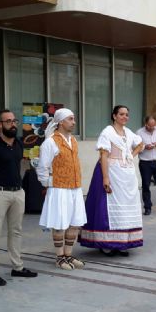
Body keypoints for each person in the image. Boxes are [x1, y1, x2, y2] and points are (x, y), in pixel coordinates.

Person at [0, 109, 37, 286]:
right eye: (8, 121)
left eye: (14, 121)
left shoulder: (19, 143)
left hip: (18, 192)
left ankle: (17, 267)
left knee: (16, 231)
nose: (13, 124)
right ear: (0, 125)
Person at [79, 105, 144, 257]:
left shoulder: (128, 133)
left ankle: (122, 242)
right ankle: (107, 243)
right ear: (114, 116)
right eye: (121, 114)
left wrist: (130, 155)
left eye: (127, 114)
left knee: (125, 207)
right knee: (109, 206)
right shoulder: (107, 132)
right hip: (111, 171)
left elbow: (141, 144)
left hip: (127, 175)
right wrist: (105, 177)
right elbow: (103, 155)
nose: (125, 117)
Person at [36, 108, 87, 270]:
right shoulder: (50, 142)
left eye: (73, 118)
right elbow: (42, 167)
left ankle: (69, 255)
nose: (74, 122)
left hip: (75, 187)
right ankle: (59, 257)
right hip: (59, 188)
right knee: (59, 223)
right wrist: (49, 183)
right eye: (71, 119)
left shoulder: (73, 140)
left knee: (74, 223)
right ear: (61, 122)